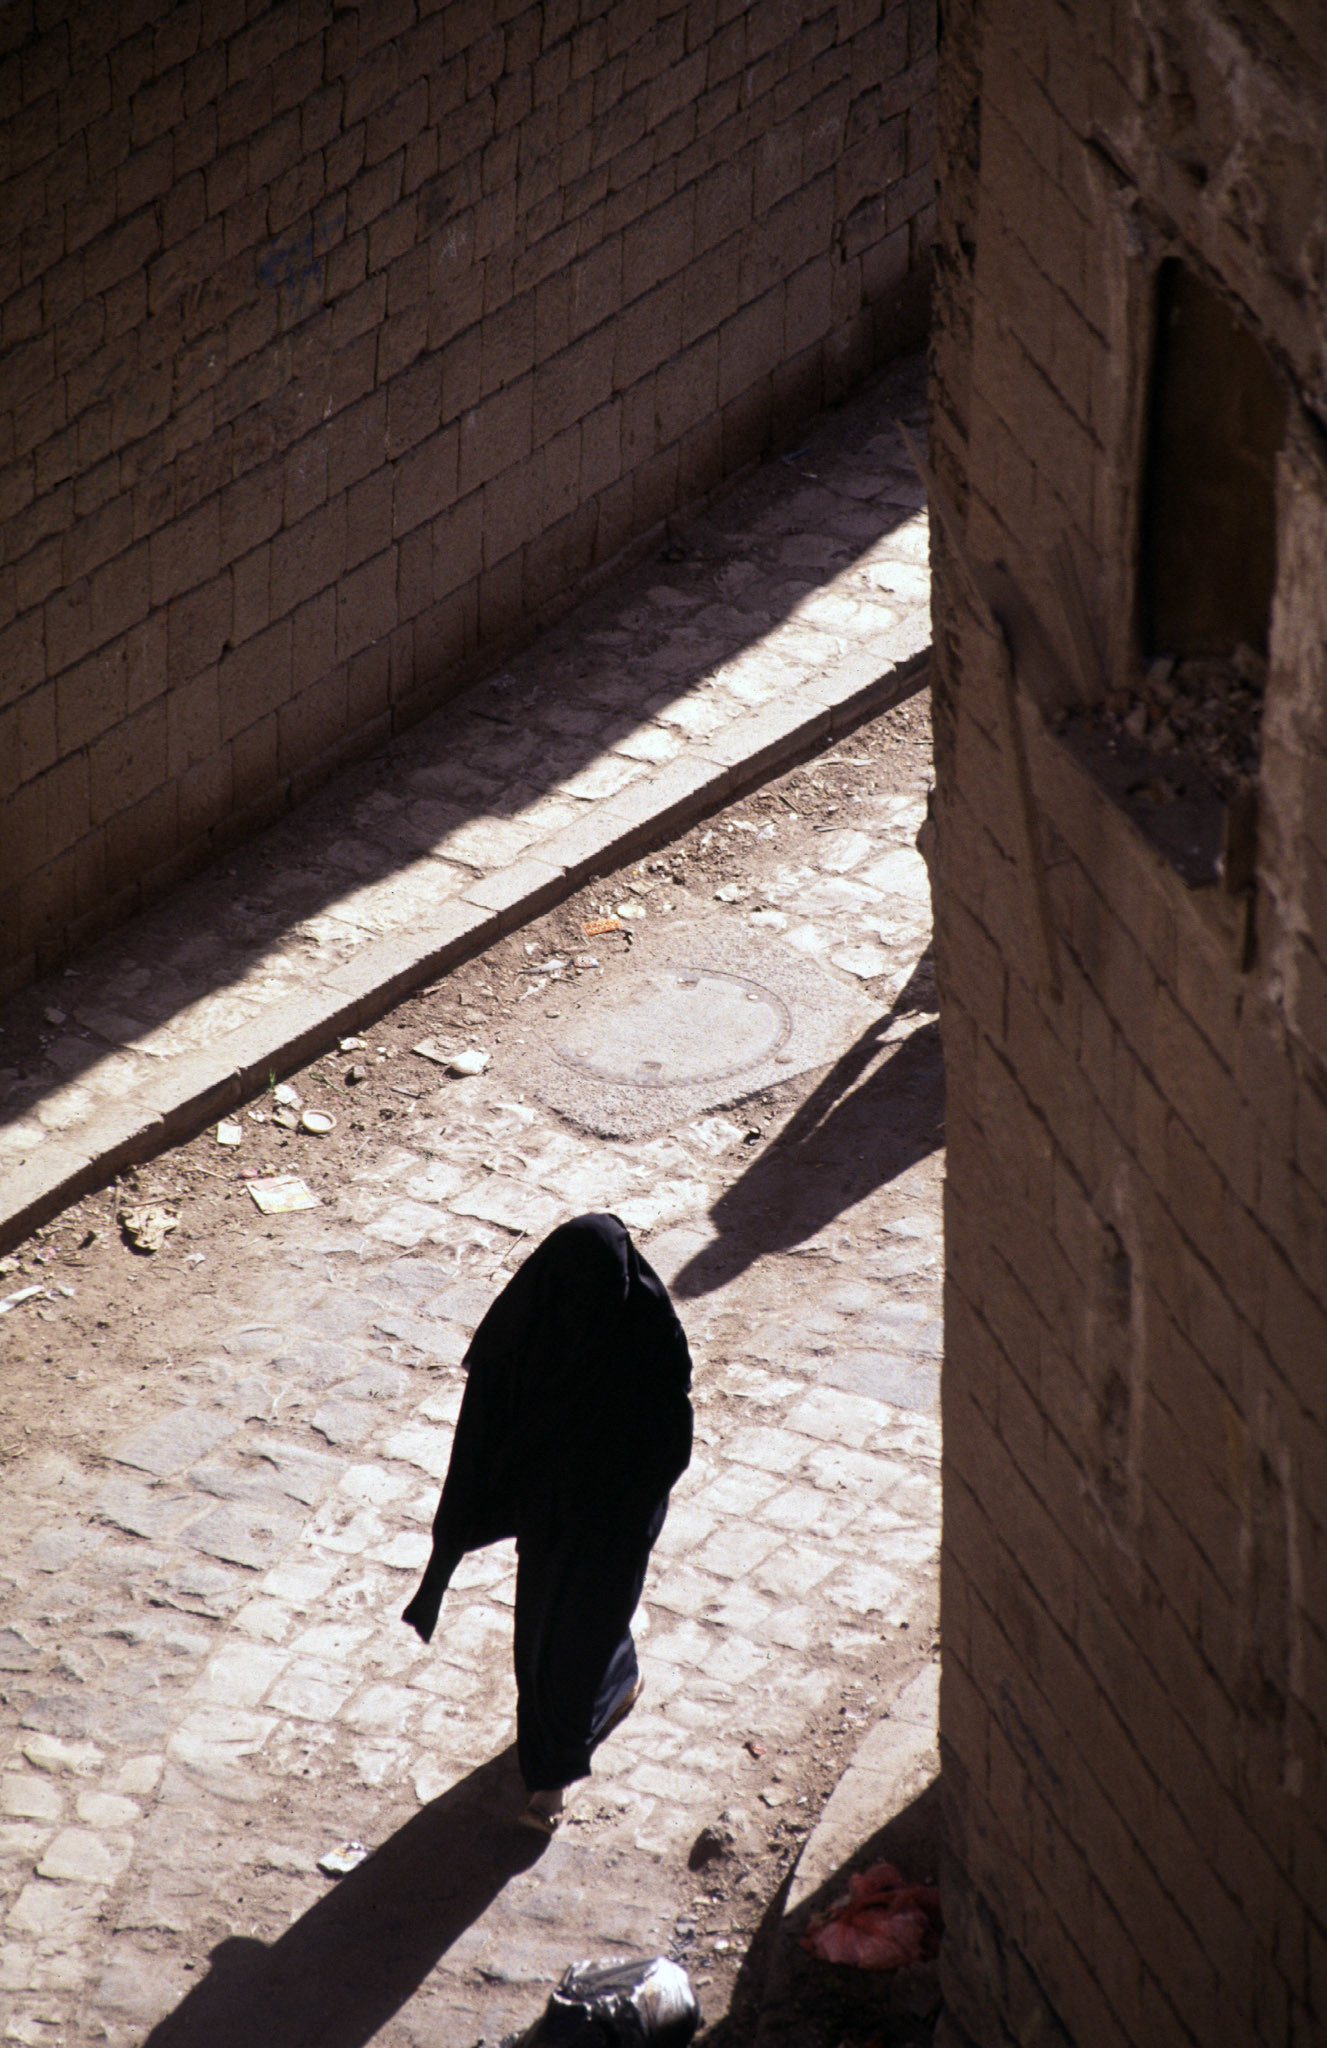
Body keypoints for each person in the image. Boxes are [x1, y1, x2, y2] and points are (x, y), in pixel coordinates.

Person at [403, 1213, 694, 1835]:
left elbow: (672, 1428)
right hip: (553, 1517)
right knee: (545, 1644)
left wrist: (625, 1491)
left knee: (583, 1633)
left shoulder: (647, 1332)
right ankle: (560, 1762)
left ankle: (571, 1751)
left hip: (618, 1518)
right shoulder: (533, 1330)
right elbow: (484, 1426)